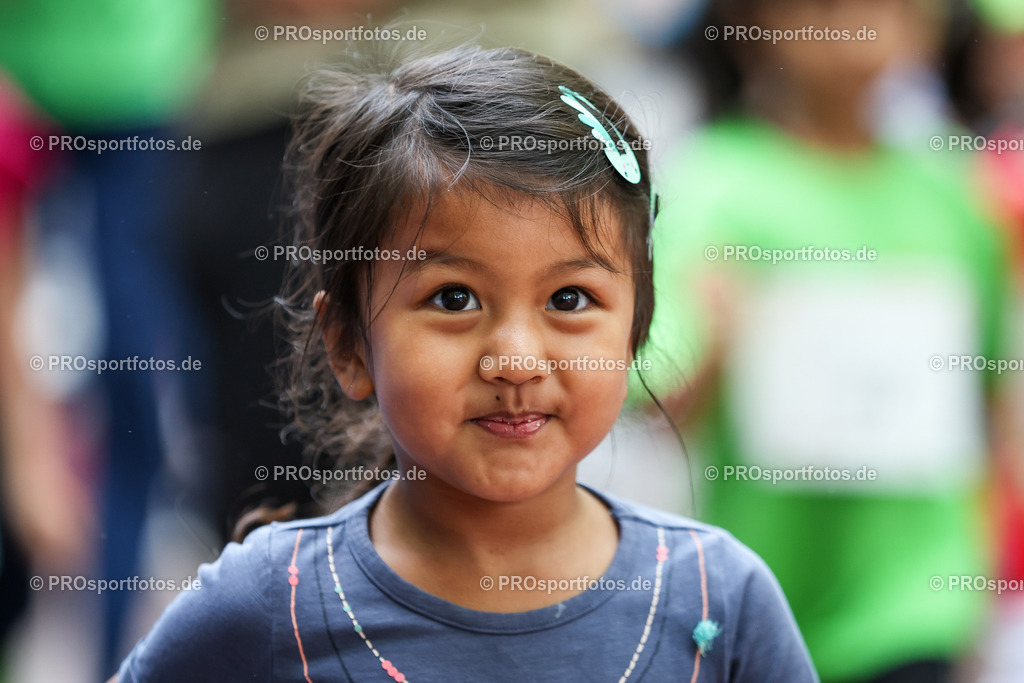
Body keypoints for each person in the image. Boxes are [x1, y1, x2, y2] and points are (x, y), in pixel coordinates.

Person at [110, 44, 817, 681]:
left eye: (569, 297)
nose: (515, 359)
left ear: (638, 327)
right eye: (454, 297)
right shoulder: (268, 601)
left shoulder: (716, 597)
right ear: (349, 344)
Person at [646, 0, 1012, 681]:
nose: (862, 31)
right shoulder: (714, 185)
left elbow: (987, 397)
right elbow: (656, 392)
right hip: (767, 589)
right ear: (755, 25)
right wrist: (718, 333)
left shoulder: (951, 192)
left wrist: (979, 590)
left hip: (917, 599)